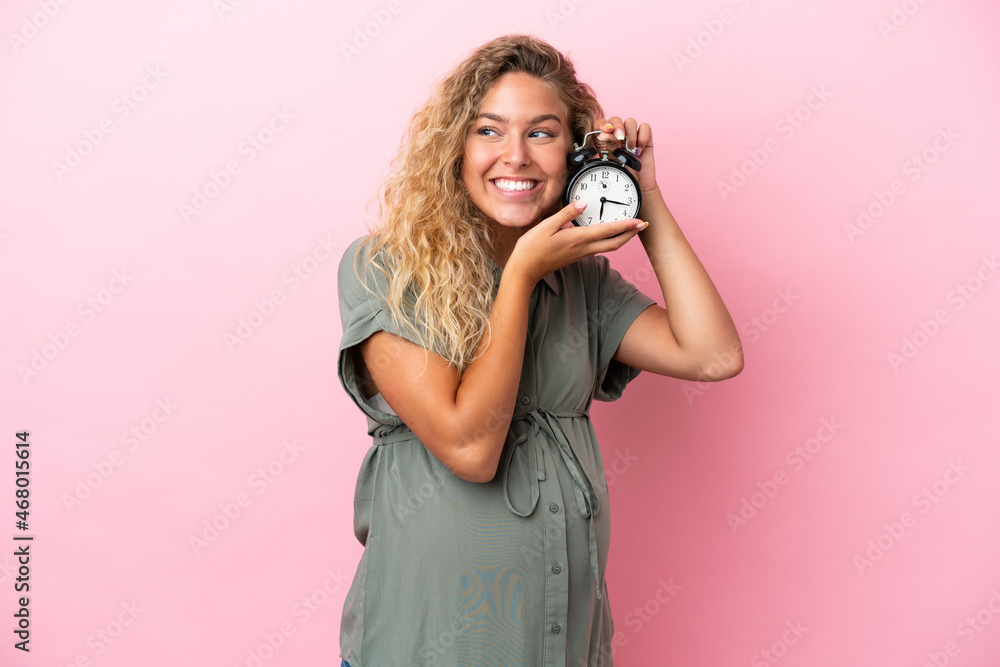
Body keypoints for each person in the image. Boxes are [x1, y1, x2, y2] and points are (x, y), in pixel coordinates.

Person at [336, 34, 742, 667]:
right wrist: (520, 277)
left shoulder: (580, 281)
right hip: (429, 640)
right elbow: (470, 448)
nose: (516, 157)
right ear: (454, 147)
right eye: (489, 131)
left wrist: (645, 195)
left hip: (561, 639)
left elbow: (712, 354)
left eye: (543, 134)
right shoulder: (387, 270)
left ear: (575, 156)